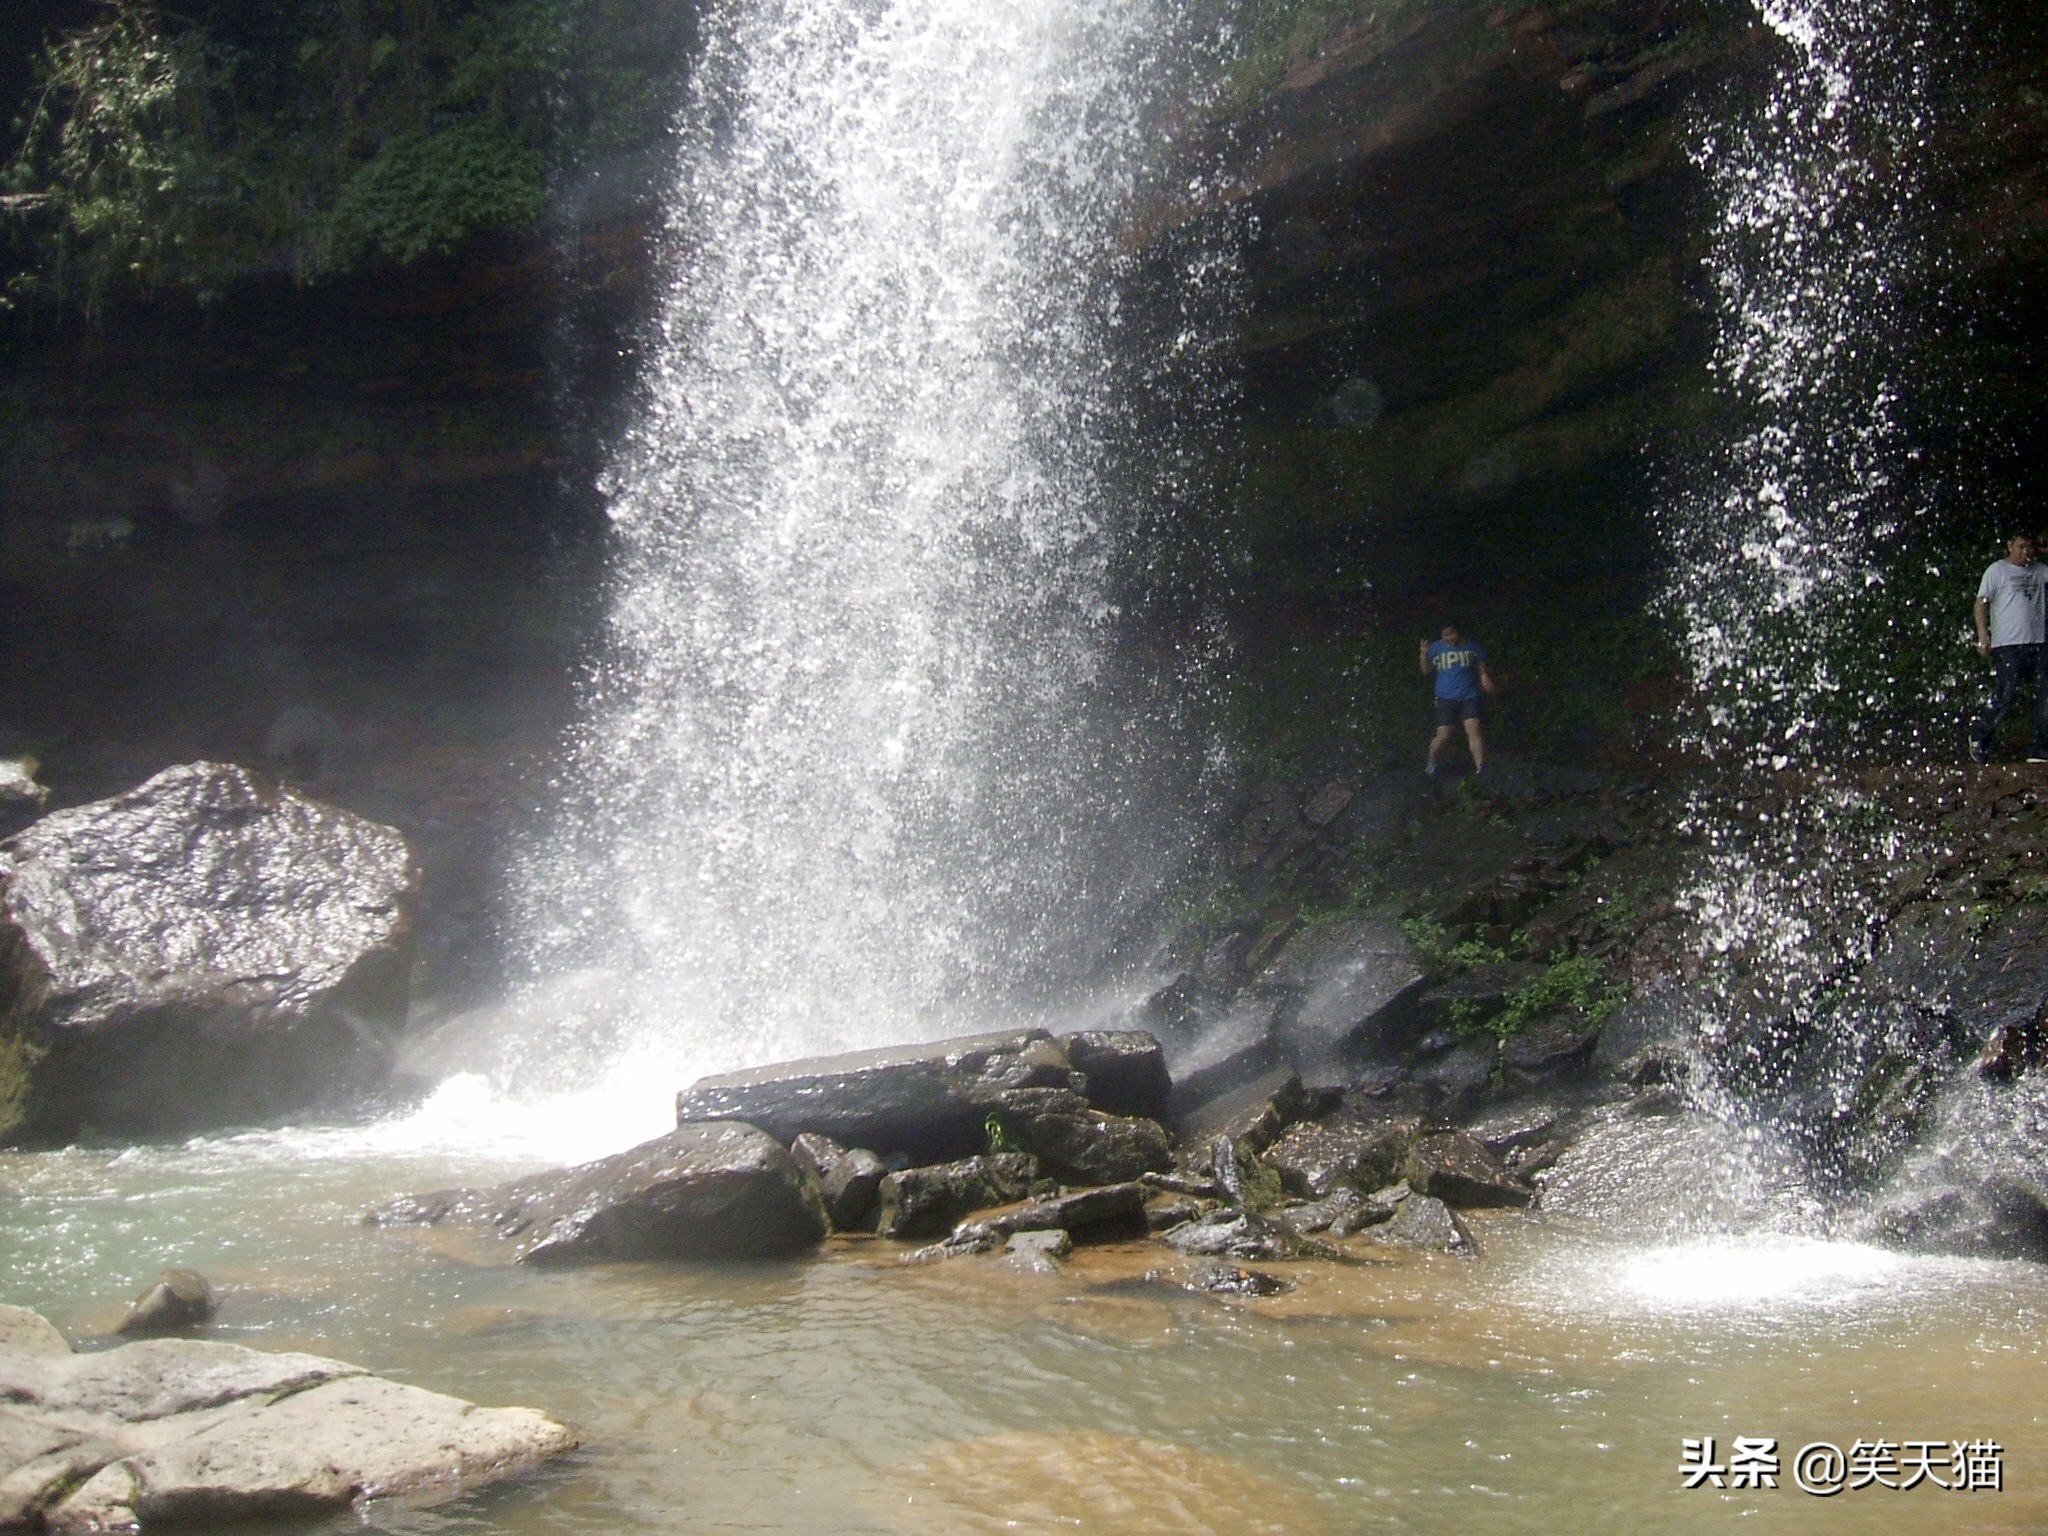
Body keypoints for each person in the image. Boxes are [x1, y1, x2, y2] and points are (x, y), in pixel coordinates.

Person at [1969, 531, 2048, 765]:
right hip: (2008, 645)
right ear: (2010, 545)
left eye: (2029, 548)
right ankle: (1980, 734)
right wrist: (1983, 635)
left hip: (2038, 642)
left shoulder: (2040, 570)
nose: (2025, 552)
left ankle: (2039, 750)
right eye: (2021, 547)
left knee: (2044, 697)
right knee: (2007, 695)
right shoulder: (1997, 571)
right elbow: (1981, 603)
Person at [1420, 622, 1497, 776]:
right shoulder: (1435, 648)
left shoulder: (1471, 646)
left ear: (1458, 632)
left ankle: (1481, 767)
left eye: (1452, 634)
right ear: (1441, 635)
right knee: (1444, 734)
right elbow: (1426, 671)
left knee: (1473, 729)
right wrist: (1423, 655)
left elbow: (1480, 665)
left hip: (1469, 695)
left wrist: (1484, 678)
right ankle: (1431, 761)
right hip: (1445, 697)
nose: (1449, 638)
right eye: (1445, 635)